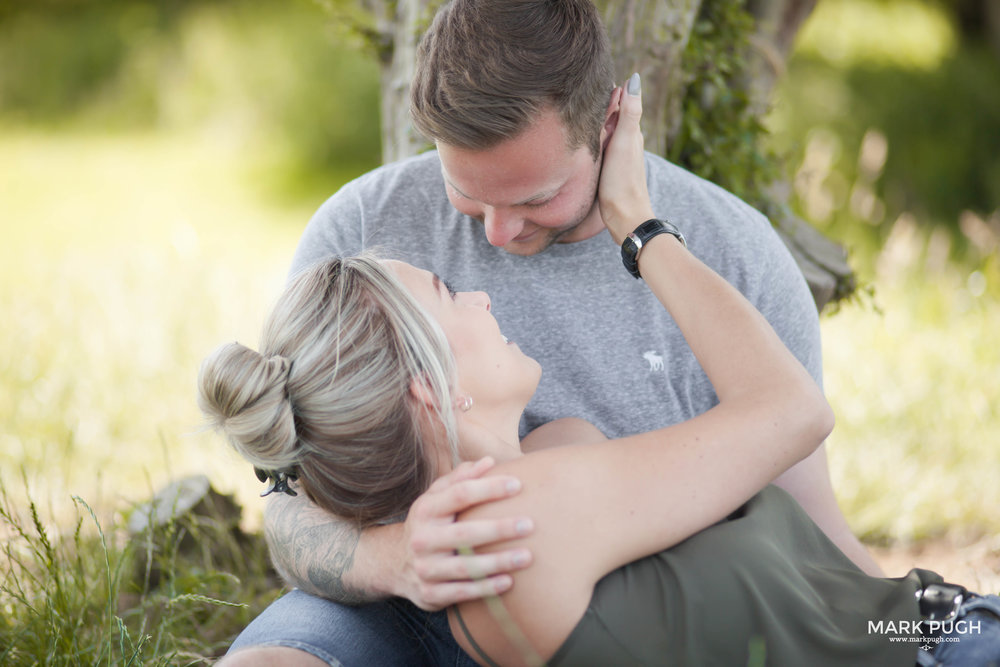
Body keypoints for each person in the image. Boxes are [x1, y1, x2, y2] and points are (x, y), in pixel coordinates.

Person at [199, 82, 1000, 666]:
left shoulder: (552, 463)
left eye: (538, 196)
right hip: (922, 643)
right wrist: (641, 225)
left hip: (903, 625)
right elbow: (792, 407)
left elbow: (817, 552)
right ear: (428, 386)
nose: (481, 279)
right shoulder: (534, 512)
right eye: (448, 293)